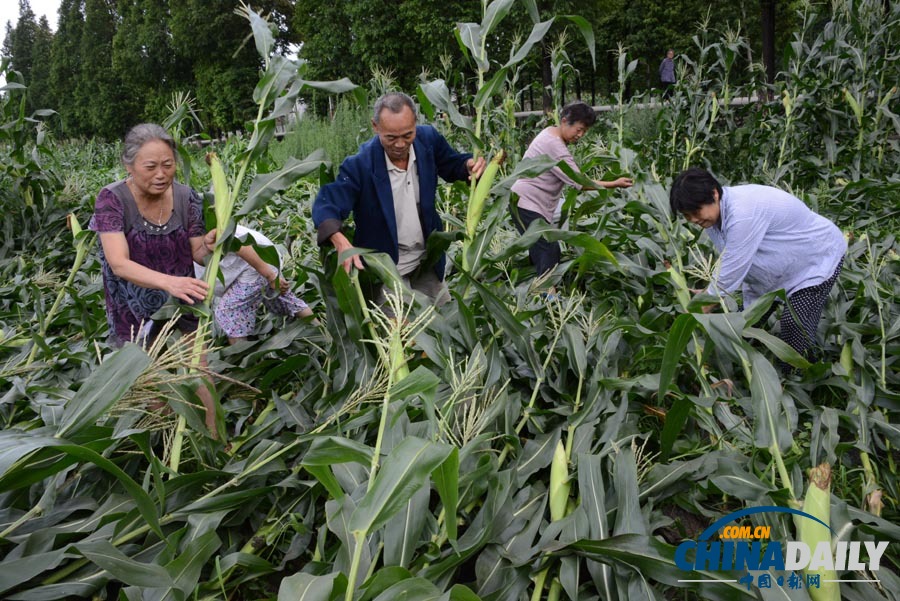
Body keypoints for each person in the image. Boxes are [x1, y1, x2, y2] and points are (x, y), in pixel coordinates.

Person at [90, 123, 218, 432]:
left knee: (199, 373)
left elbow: (196, 253)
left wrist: (209, 245)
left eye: (168, 164)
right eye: (151, 167)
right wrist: (168, 281)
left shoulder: (188, 198)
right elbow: (119, 263)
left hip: (183, 301)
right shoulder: (112, 200)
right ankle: (161, 451)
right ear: (129, 165)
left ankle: (215, 441)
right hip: (133, 309)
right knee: (153, 383)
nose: (161, 173)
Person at [312, 92, 485, 306]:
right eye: (391, 138)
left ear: (415, 123)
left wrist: (467, 165)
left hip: (426, 260)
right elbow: (328, 203)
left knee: (444, 323)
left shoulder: (428, 140)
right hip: (387, 269)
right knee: (401, 335)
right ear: (375, 127)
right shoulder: (360, 165)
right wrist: (340, 241)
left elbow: (451, 164)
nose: (400, 144)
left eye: (407, 135)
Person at [669, 168, 846, 363]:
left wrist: (699, 308)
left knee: (795, 326)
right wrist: (708, 291)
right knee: (744, 326)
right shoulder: (712, 218)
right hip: (777, 270)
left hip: (814, 261)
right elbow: (731, 258)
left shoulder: (742, 213)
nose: (693, 220)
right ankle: (746, 368)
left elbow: (733, 269)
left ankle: (799, 379)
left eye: (696, 211)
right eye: (687, 215)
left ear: (714, 194)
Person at [510, 100, 632, 291]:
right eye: (579, 129)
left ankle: (534, 293)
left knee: (543, 249)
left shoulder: (550, 133)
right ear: (565, 121)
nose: (580, 135)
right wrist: (614, 183)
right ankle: (547, 299)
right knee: (548, 250)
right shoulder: (554, 145)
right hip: (527, 204)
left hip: (525, 203)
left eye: (584, 131)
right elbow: (579, 182)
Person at [195, 225, 314, 345]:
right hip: (254, 265)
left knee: (228, 310)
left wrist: (271, 277)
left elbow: (239, 245)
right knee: (284, 300)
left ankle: (240, 357)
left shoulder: (194, 229)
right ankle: (323, 332)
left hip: (255, 262)